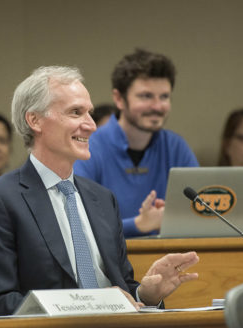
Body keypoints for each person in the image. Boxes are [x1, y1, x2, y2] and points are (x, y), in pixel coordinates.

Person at [0, 66, 199, 316]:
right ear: (34, 120)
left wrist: (145, 294)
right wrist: (92, 302)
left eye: (89, 113)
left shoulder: (102, 198)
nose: (91, 125)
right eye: (76, 112)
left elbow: (121, 289)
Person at [74, 48, 199, 237]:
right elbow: (77, 225)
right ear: (119, 99)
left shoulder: (176, 147)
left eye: (164, 96)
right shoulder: (88, 147)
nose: (157, 106)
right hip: (105, 263)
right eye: (146, 96)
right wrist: (139, 225)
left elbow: (200, 215)